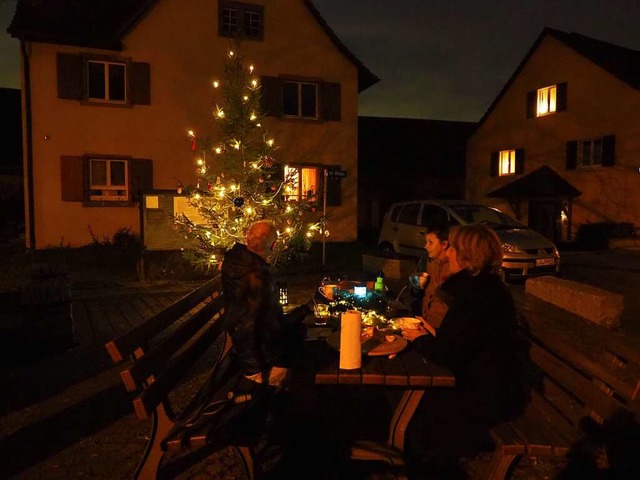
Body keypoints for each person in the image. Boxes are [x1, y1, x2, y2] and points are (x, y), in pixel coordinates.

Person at [403, 224, 530, 479]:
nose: (447, 254)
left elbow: (449, 355)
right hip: (487, 384)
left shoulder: (478, 297)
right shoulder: (481, 289)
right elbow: (463, 342)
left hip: (487, 396)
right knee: (418, 404)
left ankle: (427, 466)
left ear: (468, 256)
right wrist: (430, 332)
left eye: (453, 249)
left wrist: (418, 338)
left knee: (419, 413)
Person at [220, 220, 312, 475]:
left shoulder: (236, 261)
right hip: (256, 359)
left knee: (302, 343)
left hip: (249, 350)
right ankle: (282, 452)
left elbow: (265, 322)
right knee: (305, 360)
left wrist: (302, 311)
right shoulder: (258, 273)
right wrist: (270, 367)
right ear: (272, 244)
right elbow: (261, 327)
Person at [420, 224, 451, 329]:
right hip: (427, 320)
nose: (426, 246)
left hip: (443, 326)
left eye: (431, 242)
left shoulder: (454, 267)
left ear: (444, 244)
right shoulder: (432, 263)